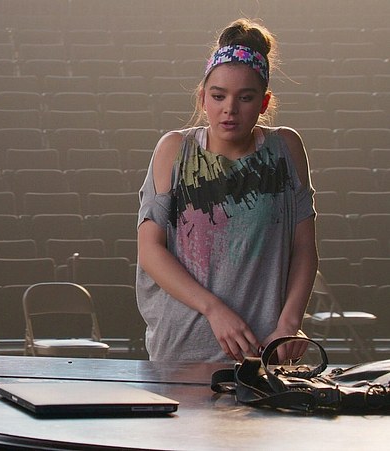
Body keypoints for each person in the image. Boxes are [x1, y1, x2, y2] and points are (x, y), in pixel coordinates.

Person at [135, 19, 318, 363]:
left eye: (245, 98)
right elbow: (150, 250)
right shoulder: (175, 150)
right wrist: (214, 310)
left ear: (263, 103)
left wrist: (289, 324)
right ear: (203, 98)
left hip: (262, 348)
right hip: (184, 347)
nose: (229, 109)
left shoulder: (285, 148)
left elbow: (304, 249)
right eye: (218, 96)